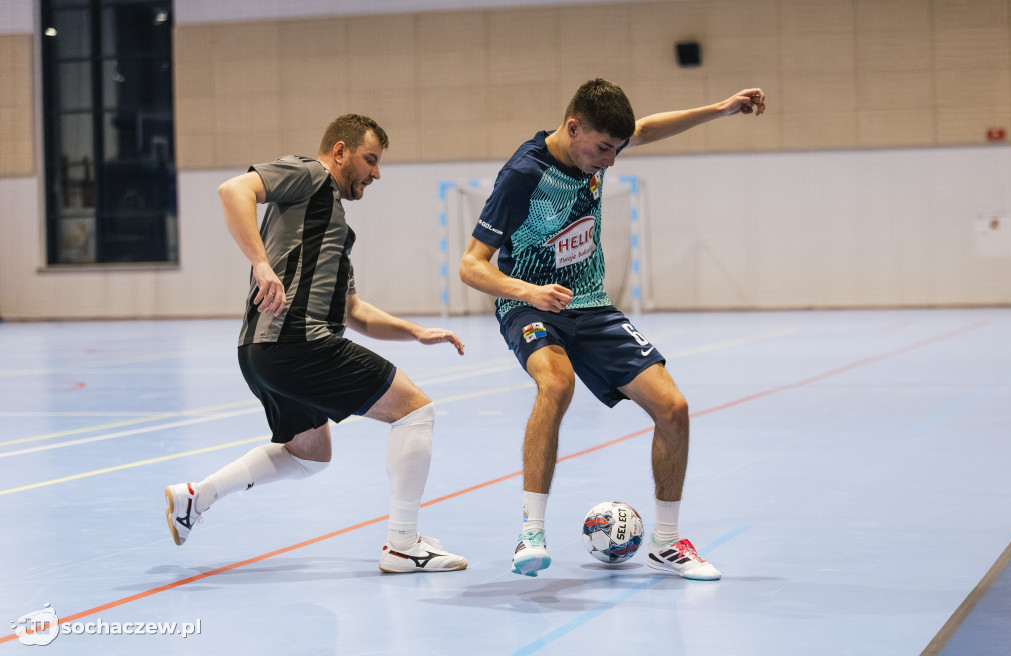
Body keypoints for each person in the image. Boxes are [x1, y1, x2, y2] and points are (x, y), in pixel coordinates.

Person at [460, 79, 766, 579]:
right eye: (604, 149)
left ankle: (667, 543)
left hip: (592, 306)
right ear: (574, 127)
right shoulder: (523, 175)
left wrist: (720, 108)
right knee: (556, 385)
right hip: (532, 304)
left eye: (618, 150)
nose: (611, 161)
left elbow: (644, 128)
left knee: (674, 408)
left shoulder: (598, 148)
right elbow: (471, 266)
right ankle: (531, 532)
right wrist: (528, 292)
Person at [165, 114, 468, 573]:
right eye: (370, 160)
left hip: (263, 352)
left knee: (310, 455)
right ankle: (403, 544)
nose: (376, 173)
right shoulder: (311, 175)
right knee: (415, 410)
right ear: (341, 151)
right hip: (296, 342)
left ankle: (195, 498)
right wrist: (261, 266)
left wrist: (415, 331)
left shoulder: (335, 230)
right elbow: (234, 190)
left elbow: (354, 312)